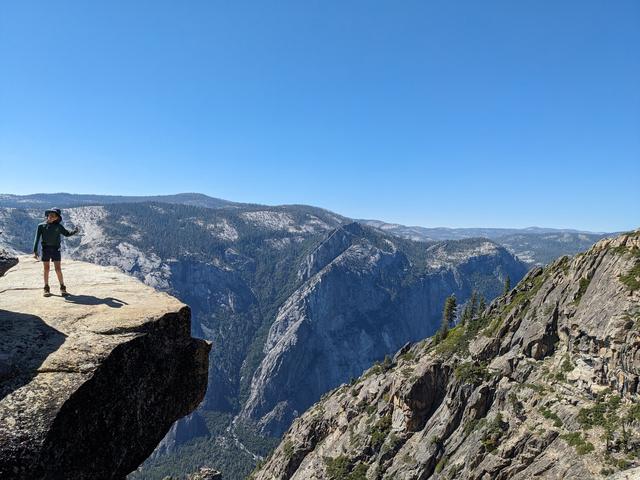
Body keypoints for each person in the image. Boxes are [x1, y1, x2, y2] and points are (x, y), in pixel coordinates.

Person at [33, 208, 80, 297]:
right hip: (45, 249)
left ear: (56, 218)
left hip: (56, 249)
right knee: (46, 269)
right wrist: (35, 250)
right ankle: (46, 288)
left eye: (53, 216)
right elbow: (37, 238)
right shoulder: (41, 226)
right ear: (47, 215)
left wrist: (75, 231)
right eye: (50, 215)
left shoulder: (58, 227)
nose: (50, 217)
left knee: (58, 269)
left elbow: (66, 233)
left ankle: (62, 287)